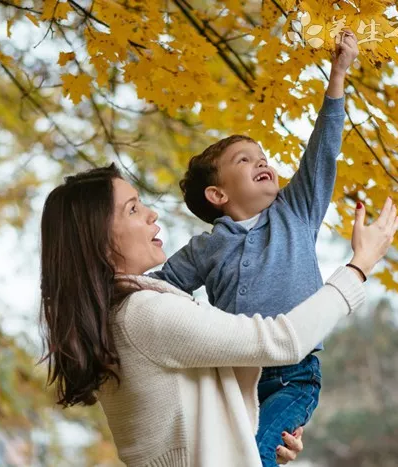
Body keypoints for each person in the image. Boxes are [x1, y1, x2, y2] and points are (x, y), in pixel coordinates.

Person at [39, 164, 398, 466]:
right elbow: (282, 340)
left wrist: (254, 439)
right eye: (133, 209)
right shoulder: (143, 313)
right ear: (99, 240)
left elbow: (189, 426)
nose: (152, 213)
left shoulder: (118, 317)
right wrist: (359, 266)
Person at [149, 29, 362, 465]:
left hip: (294, 375)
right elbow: (158, 291)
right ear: (217, 195)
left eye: (262, 156)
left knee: (258, 455)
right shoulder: (204, 249)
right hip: (231, 378)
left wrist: (337, 77)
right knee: (227, 453)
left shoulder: (296, 212)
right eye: (243, 160)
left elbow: (322, 152)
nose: (261, 161)